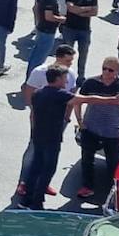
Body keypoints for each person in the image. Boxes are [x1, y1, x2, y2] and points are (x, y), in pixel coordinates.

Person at [73, 56, 119, 200]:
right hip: (91, 128)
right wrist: (80, 121)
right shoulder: (91, 82)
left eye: (110, 70)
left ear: (117, 71)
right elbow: (78, 101)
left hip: (111, 130)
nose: (106, 72)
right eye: (104, 68)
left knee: (113, 162)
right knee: (87, 159)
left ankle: (114, 190)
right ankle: (87, 186)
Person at [24, 65, 73, 210]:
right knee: (48, 169)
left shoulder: (38, 93)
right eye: (65, 78)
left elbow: (33, 114)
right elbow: (83, 99)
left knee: (36, 167)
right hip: (52, 138)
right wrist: (112, 99)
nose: (66, 81)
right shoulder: (60, 94)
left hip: (38, 135)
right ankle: (36, 203)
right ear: (58, 79)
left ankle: (26, 199)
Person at [27, 0, 66, 75]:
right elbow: (49, 16)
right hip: (47, 31)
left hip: (41, 28)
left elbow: (35, 8)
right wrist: (61, 19)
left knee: (34, 56)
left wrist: (39, 21)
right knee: (39, 58)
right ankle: (32, 82)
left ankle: (29, 79)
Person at [61, 0, 98, 81]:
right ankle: (64, 74)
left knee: (83, 54)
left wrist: (80, 11)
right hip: (69, 28)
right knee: (66, 53)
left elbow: (95, 12)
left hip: (85, 30)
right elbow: (71, 9)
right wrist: (87, 8)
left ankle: (80, 76)